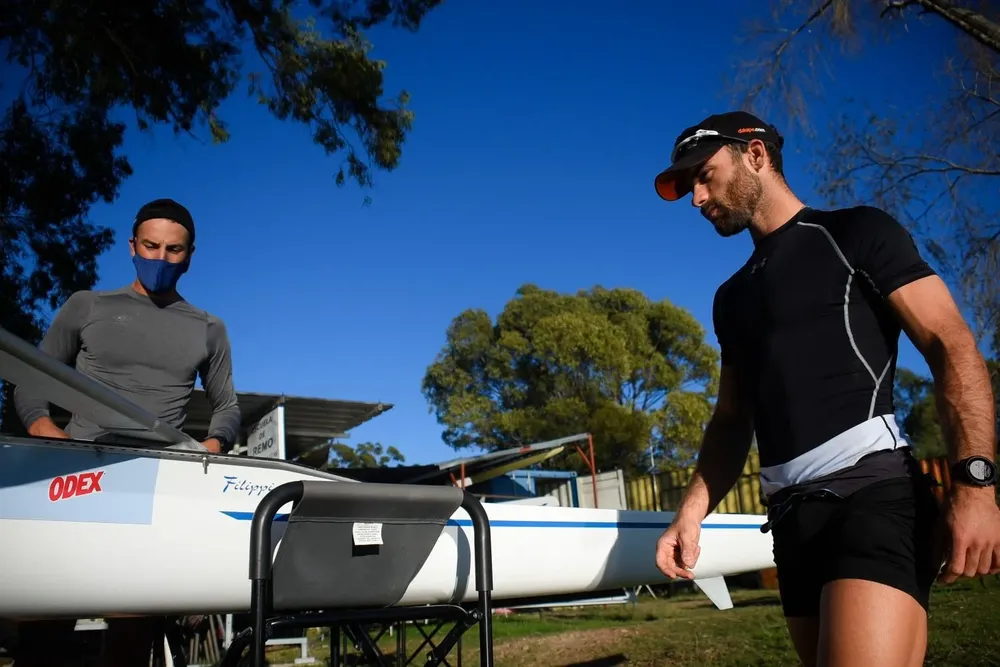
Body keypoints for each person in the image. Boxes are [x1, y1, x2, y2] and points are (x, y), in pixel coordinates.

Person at [650, 111, 1000, 667]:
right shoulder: (731, 298)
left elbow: (950, 344)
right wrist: (691, 513)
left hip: (872, 496)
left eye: (704, 175)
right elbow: (732, 420)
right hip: (791, 521)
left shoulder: (855, 232)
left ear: (755, 154)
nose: (696, 198)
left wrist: (975, 484)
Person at [12, 197, 242, 666]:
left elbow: (228, 406)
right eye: (151, 246)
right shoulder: (88, 306)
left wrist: (211, 447)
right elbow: (28, 381)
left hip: (152, 488)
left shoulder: (208, 328)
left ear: (190, 255)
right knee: (46, 629)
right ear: (132, 245)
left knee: (132, 635)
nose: (160, 259)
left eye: (173, 250)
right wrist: (45, 431)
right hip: (76, 482)